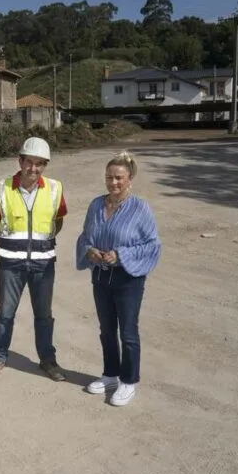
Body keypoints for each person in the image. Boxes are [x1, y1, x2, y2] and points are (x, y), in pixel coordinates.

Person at [75, 151, 161, 407]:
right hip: (101, 277)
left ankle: (129, 380)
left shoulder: (140, 208)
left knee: (128, 332)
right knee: (106, 330)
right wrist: (89, 250)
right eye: (109, 177)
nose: (113, 183)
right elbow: (86, 237)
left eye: (119, 178)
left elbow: (152, 244)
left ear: (130, 179)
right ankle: (110, 374)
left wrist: (121, 255)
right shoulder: (96, 205)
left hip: (128, 279)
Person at [0, 136, 69, 382]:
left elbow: (57, 221)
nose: (33, 169)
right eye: (29, 162)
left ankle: (48, 361)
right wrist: (11, 244)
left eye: (40, 163)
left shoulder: (54, 188)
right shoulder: (2, 189)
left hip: (44, 263)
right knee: (6, 313)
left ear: (45, 165)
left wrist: (40, 244)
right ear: (20, 161)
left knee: (44, 315)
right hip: (11, 263)